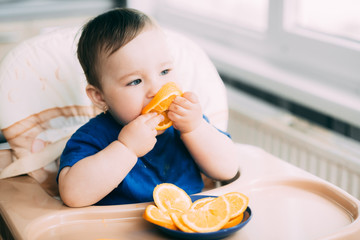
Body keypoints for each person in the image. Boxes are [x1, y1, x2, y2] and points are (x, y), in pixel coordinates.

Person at [57, 8, 238, 207]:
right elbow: (73, 195)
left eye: (165, 71)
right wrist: (126, 148)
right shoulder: (94, 137)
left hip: (186, 225)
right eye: (135, 81)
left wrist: (195, 128)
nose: (156, 89)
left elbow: (228, 169)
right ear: (100, 97)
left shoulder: (185, 122)